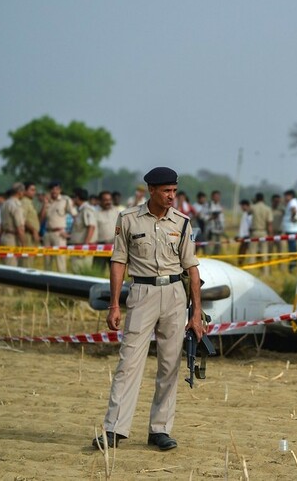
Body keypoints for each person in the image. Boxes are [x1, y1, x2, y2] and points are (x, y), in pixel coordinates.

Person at [92, 167, 202, 452]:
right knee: (128, 363)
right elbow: (118, 261)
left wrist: (196, 313)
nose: (171, 197)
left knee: (169, 365)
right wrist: (114, 304)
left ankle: (160, 430)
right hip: (141, 293)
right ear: (151, 190)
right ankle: (114, 429)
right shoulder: (128, 219)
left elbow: (192, 268)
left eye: (175, 191)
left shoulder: (183, 222)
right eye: (166, 191)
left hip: (176, 295)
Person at [39, 181, 76, 272]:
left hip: (59, 233)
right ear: (49, 190)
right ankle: (47, 284)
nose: (54, 191)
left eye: (57, 189)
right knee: (47, 261)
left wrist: (70, 233)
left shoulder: (65, 200)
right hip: (47, 233)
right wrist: (45, 204)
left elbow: (75, 216)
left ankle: (62, 283)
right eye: (52, 189)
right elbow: (41, 219)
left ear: (60, 190)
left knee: (61, 260)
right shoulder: (47, 201)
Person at [70, 188, 98, 273]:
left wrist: (85, 246)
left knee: (81, 272)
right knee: (76, 271)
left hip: (83, 247)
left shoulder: (87, 209)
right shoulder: (81, 210)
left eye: (73, 197)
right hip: (78, 246)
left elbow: (91, 227)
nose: (72, 200)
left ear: (77, 198)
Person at [0, 183, 26, 267]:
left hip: (4, 236)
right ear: (19, 192)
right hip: (12, 238)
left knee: (5, 264)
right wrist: (24, 244)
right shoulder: (15, 205)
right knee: (11, 265)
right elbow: (19, 227)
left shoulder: (5, 203)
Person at [95, 191, 120, 271]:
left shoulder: (116, 211)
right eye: (105, 200)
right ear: (99, 201)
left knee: (115, 271)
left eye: (109, 200)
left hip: (114, 245)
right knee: (98, 270)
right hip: (100, 245)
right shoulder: (94, 212)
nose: (108, 202)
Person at [20, 181, 41, 267]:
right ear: (24, 191)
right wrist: (33, 231)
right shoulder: (24, 201)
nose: (34, 192)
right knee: (26, 262)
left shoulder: (29, 202)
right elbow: (22, 219)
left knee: (31, 260)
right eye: (31, 190)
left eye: (34, 190)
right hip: (27, 234)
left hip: (32, 235)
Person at [249, 193, 273, 269]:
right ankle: (265, 272)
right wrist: (270, 235)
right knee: (264, 253)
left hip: (254, 231)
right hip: (263, 232)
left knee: (252, 252)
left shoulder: (253, 207)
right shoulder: (267, 209)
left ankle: (251, 270)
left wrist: (253, 202)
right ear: (263, 199)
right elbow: (269, 224)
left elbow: (248, 212)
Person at [282, 189, 297, 271]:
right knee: (292, 247)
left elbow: (294, 210)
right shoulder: (294, 202)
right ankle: (293, 264)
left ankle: (292, 265)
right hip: (292, 228)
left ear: (290, 196)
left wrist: (292, 218)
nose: (285, 198)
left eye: (286, 196)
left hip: (291, 229)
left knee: (292, 248)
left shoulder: (292, 202)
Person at [204, 190, 226, 255]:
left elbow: (222, 218)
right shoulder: (208, 205)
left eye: (218, 196)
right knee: (209, 248)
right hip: (211, 230)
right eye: (215, 196)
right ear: (212, 197)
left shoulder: (220, 206)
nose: (217, 198)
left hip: (219, 230)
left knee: (217, 249)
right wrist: (211, 217)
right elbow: (202, 216)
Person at [236, 199, 252, 265]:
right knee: (241, 252)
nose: (241, 208)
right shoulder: (244, 214)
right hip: (243, 236)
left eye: (242, 206)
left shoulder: (250, 215)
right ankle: (241, 264)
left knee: (244, 251)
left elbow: (249, 226)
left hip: (247, 236)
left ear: (246, 205)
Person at [270, 193, 284, 259]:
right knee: (269, 251)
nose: (277, 203)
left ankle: (281, 267)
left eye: (278, 201)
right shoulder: (269, 211)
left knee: (280, 252)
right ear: (272, 201)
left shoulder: (282, 211)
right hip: (270, 234)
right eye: (275, 201)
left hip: (279, 234)